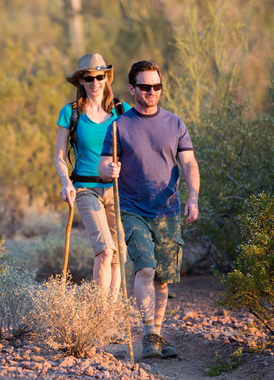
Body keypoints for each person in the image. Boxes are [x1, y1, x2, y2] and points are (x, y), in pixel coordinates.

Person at [98, 60, 200, 359]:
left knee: (163, 278)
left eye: (156, 86)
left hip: (167, 210)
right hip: (132, 209)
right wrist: (110, 169)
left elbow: (189, 162)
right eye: (145, 87)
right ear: (132, 89)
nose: (152, 91)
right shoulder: (119, 127)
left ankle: (156, 332)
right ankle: (147, 334)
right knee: (145, 268)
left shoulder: (175, 123)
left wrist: (192, 197)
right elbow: (104, 166)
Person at [53, 53, 132, 300]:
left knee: (119, 255)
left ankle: (111, 313)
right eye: (89, 78)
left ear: (107, 78)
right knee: (105, 251)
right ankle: (101, 312)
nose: (95, 82)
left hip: (118, 190)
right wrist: (66, 182)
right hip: (86, 189)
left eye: (100, 77)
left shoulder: (123, 111)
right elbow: (58, 156)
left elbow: (135, 149)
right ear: (81, 82)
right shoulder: (71, 113)